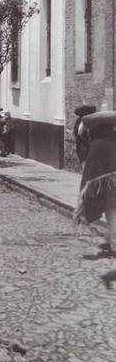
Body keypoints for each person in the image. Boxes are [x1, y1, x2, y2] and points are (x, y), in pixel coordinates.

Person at [74, 111, 116, 259]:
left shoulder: (96, 141)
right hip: (113, 180)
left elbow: (80, 134)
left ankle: (112, 242)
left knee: (108, 209)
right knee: (112, 209)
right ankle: (111, 240)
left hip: (99, 179)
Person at [74, 104, 96, 168]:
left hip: (83, 145)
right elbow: (79, 133)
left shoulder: (79, 120)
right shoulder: (83, 121)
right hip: (84, 145)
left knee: (85, 164)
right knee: (85, 164)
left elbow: (77, 133)